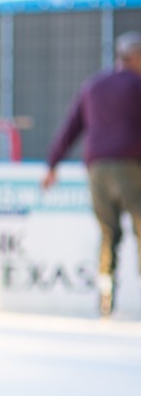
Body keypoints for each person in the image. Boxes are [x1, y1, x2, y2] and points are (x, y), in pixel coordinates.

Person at [41, 31, 141, 317]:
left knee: (108, 233)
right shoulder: (137, 84)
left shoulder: (93, 86)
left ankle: (105, 298)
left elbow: (70, 128)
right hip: (131, 167)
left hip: (97, 169)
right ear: (135, 57)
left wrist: (52, 165)